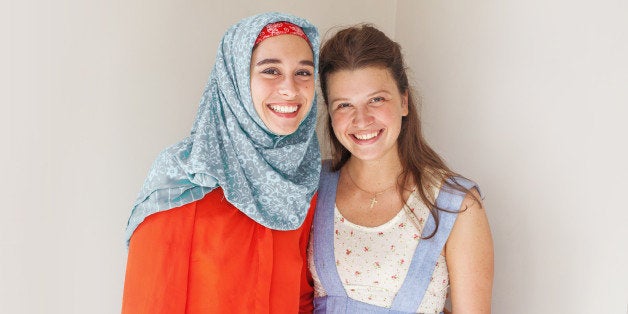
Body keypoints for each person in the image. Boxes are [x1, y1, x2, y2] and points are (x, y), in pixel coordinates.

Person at [121, 12, 321, 313]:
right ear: (235, 79)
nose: (290, 89)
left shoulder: (302, 180)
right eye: (270, 71)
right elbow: (150, 301)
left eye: (303, 73)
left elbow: (302, 299)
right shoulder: (184, 178)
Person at [308, 25, 494, 313]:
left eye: (376, 99)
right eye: (344, 105)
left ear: (404, 101)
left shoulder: (456, 207)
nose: (362, 120)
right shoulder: (312, 186)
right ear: (331, 114)